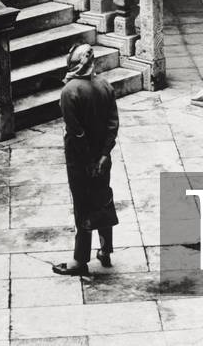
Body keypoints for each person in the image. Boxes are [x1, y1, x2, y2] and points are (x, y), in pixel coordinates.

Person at [52, 42, 120, 276]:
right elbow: (113, 124)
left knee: (82, 205)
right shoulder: (105, 85)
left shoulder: (70, 91)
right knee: (102, 198)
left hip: (80, 160)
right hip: (103, 158)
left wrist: (89, 160)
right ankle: (106, 250)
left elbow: (76, 132)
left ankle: (80, 260)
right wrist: (103, 155)